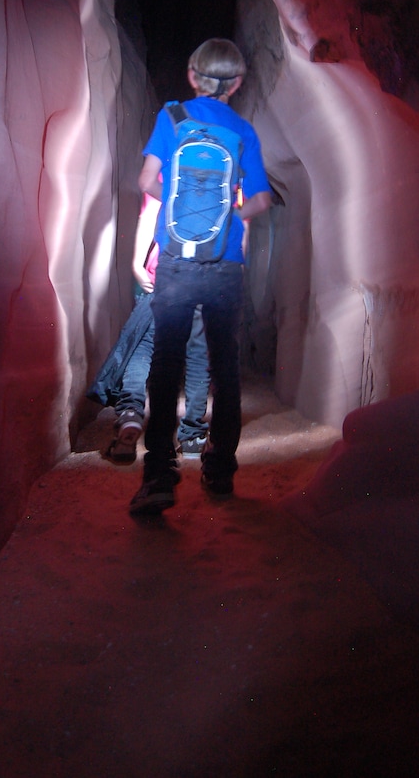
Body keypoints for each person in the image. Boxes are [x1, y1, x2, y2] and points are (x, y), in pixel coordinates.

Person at [129, 38, 272, 515]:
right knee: (224, 364)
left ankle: (159, 475)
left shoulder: (172, 118)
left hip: (176, 258)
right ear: (237, 83)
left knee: (166, 362)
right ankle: (220, 470)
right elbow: (261, 200)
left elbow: (146, 180)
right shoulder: (243, 130)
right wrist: (229, 214)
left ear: (193, 75)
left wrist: (178, 199)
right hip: (225, 262)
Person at [104, 193, 210, 463]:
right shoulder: (225, 164)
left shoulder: (166, 166)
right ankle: (192, 437)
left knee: (144, 348)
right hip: (205, 277)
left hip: (161, 275)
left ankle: (130, 414)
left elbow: (150, 213)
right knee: (197, 355)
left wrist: (137, 264)